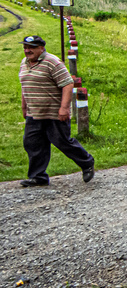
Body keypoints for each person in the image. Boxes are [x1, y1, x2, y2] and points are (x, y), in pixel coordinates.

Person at [19, 35, 95, 187]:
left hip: (54, 113)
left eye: (32, 48)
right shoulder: (24, 63)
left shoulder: (52, 62)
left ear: (41, 48)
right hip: (34, 113)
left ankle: (87, 163)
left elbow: (68, 84)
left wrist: (64, 108)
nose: (27, 51)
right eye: (26, 48)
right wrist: (24, 106)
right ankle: (38, 176)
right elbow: (25, 85)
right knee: (32, 143)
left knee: (62, 142)